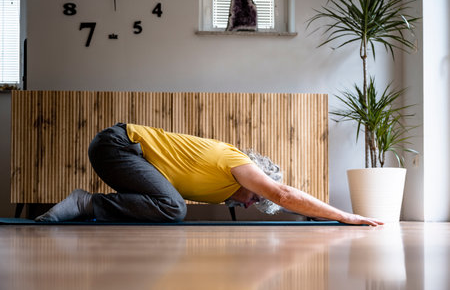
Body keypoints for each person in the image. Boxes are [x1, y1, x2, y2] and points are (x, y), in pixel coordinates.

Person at [35, 123, 383, 226]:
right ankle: (86, 202)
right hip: (119, 145)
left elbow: (283, 204)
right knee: (175, 209)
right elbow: (285, 196)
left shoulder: (222, 191)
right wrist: (343, 215)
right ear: (257, 177)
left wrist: (313, 220)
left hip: (120, 156)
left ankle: (89, 205)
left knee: (168, 206)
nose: (250, 203)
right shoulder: (237, 163)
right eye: (255, 198)